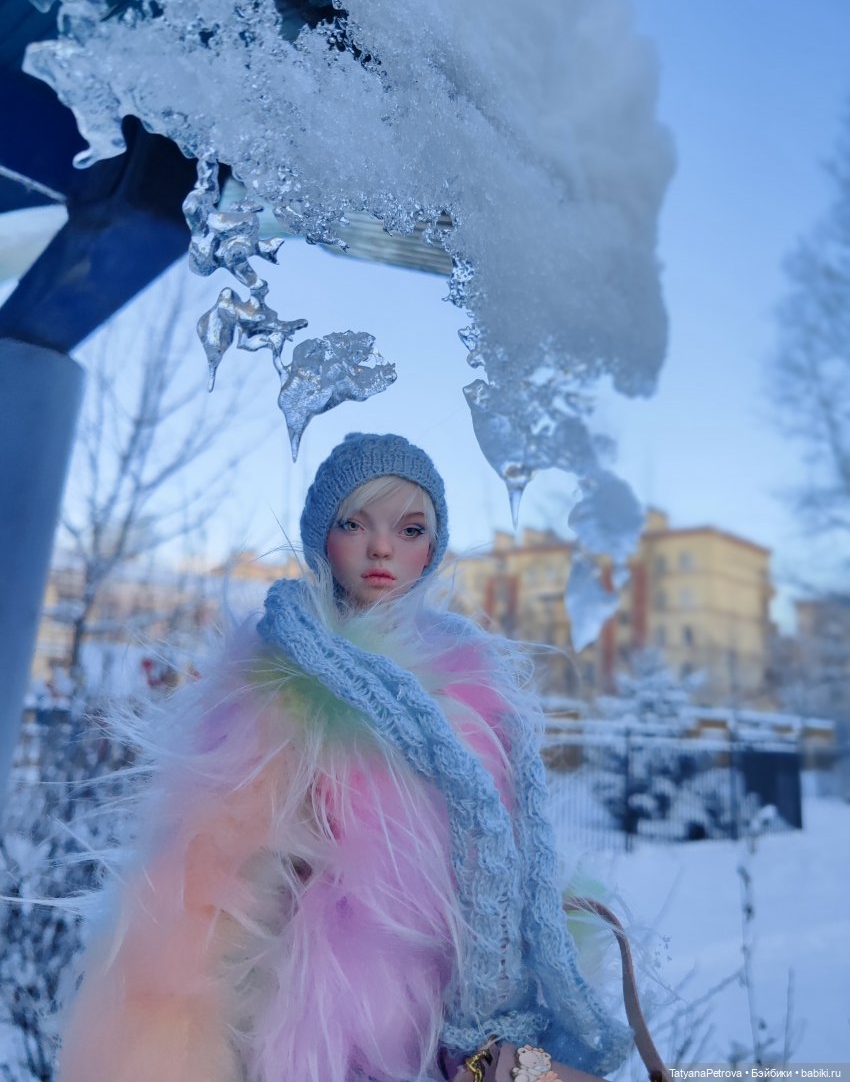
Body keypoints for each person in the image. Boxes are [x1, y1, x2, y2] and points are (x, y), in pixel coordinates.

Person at [56, 432, 631, 1082]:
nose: (382, 547)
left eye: (410, 528)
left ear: (433, 547)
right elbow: (212, 862)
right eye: (354, 523)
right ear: (320, 537)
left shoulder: (471, 677)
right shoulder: (284, 669)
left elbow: (509, 836)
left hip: (458, 1004)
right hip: (320, 996)